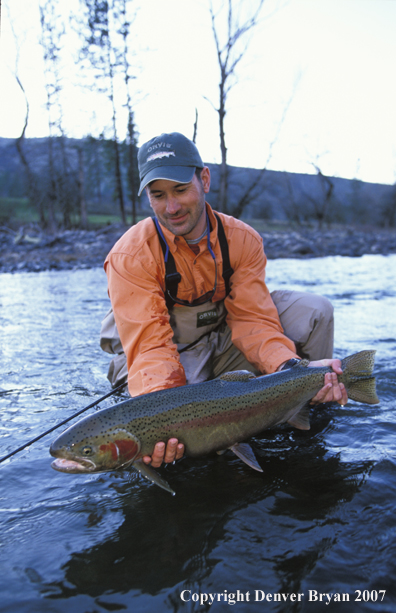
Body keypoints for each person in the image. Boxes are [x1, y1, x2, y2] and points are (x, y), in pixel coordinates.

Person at [101, 132, 347, 468]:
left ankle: (308, 400)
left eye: (180, 190)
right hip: (157, 350)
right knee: (191, 426)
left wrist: (291, 368)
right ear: (147, 196)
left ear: (203, 180)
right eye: (158, 195)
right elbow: (149, 347)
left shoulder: (242, 240)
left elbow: (253, 320)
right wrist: (162, 422)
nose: (171, 207)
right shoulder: (131, 255)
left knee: (316, 310)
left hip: (222, 334)